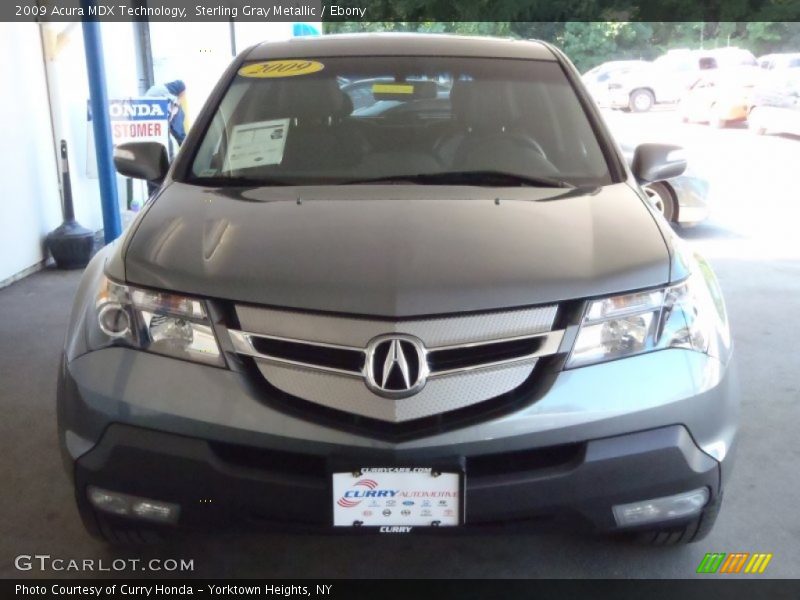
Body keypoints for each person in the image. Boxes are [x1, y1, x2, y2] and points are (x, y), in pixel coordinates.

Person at [145, 80, 188, 146]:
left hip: (149, 111)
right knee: (178, 125)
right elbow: (175, 106)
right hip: (154, 107)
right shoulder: (167, 93)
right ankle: (186, 145)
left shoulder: (160, 89)